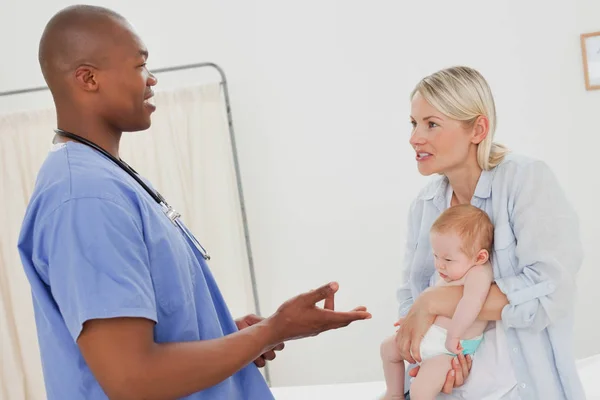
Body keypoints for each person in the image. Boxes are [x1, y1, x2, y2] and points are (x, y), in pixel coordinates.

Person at [17, 5, 371, 400]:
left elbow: (151, 338)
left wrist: (227, 334)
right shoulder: (85, 197)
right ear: (88, 78)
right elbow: (133, 379)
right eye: (140, 65)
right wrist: (272, 331)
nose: (152, 80)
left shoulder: (106, 178)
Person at [394, 66, 584, 399]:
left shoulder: (525, 181)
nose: (415, 138)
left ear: (478, 129)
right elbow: (410, 302)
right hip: (453, 387)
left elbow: (547, 293)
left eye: (432, 124)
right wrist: (435, 359)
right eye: (414, 123)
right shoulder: (424, 206)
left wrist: (434, 301)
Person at [380, 204, 494, 399]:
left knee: (421, 390)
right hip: (431, 335)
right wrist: (411, 321)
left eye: (448, 259)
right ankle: (394, 394)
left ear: (480, 256)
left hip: (451, 349)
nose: (439, 264)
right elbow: (430, 303)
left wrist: (454, 335)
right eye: (435, 256)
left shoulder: (478, 273)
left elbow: (471, 304)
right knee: (388, 349)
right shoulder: (454, 269)